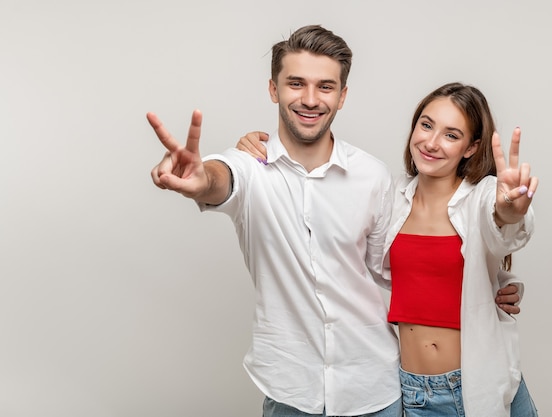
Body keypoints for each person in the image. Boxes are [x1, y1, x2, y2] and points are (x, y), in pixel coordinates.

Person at [148, 25, 521, 417]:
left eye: (325, 86)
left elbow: (398, 266)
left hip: (376, 389)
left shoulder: (374, 177)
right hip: (290, 388)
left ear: (342, 96)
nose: (310, 99)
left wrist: (488, 288)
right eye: (295, 83)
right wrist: (201, 179)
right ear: (274, 89)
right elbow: (220, 180)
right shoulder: (249, 166)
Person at [384, 82, 539, 416]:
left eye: (451, 135)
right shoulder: (390, 197)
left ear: (472, 147)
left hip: (478, 383)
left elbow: (503, 227)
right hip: (415, 392)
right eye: (426, 125)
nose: (431, 142)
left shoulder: (482, 195)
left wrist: (511, 211)